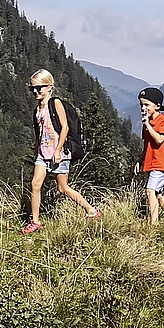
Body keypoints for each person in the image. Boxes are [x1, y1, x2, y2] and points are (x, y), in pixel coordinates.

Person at [23, 70, 100, 234]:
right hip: (43, 153)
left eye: (39, 88)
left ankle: (91, 210)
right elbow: (40, 131)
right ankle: (35, 221)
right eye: (33, 89)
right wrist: (38, 148)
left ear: (49, 87)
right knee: (35, 184)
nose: (35, 92)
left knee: (63, 188)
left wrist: (58, 151)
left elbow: (65, 127)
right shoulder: (38, 109)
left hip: (59, 153)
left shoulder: (55, 103)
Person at [138, 88, 164, 226]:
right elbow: (146, 144)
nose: (143, 108)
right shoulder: (146, 123)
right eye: (142, 105)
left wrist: (148, 124)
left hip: (161, 163)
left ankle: (154, 225)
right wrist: (140, 160)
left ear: (157, 106)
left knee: (150, 191)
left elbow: (159, 140)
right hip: (151, 162)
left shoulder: (163, 121)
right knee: (158, 194)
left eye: (147, 105)